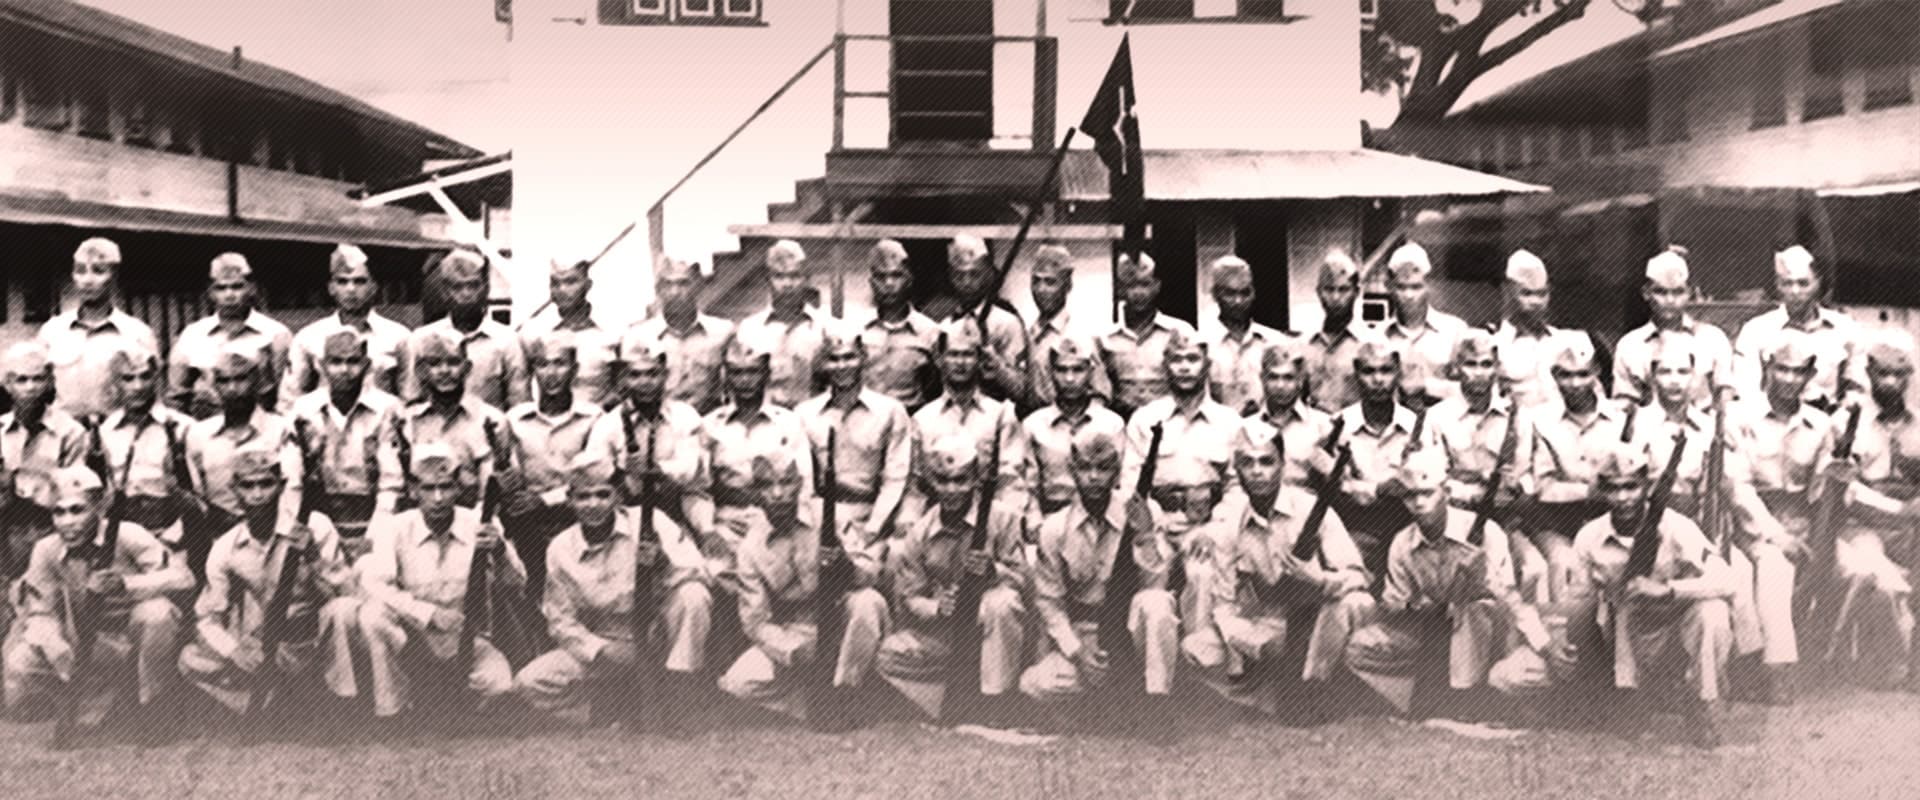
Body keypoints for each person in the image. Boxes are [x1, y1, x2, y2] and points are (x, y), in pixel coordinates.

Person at [1545, 440, 1735, 748]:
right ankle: (1626, 698)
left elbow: (1727, 580)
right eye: (1613, 489)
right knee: (1623, 604)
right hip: (1623, 640)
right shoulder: (1590, 536)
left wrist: (1669, 590)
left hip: (1677, 636)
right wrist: (1558, 635)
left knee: (1713, 611)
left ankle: (1705, 702)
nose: (1623, 498)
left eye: (1631, 487)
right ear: (1602, 492)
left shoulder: (1677, 526)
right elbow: (1577, 598)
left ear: (1646, 486)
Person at [1182, 421, 1375, 716]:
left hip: (1320, 621)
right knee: (1197, 650)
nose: (1258, 471)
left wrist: (1320, 580)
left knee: (1357, 602)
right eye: (1248, 463)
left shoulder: (1312, 509)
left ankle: (1315, 685)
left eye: (1267, 462)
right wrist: (1249, 640)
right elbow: (1224, 605)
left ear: (1282, 465)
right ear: (1237, 469)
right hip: (1268, 623)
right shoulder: (1230, 523)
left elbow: (1357, 576)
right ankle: (1275, 690)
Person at [1345, 448, 1552, 717]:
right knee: (1360, 647)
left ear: (1445, 491)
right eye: (1410, 495)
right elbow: (1393, 604)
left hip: (1488, 635)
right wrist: (1418, 608)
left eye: (1427, 492)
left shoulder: (1486, 532)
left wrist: (1480, 577)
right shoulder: (1402, 543)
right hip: (1429, 632)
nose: (1419, 503)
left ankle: (1467, 696)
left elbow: (1508, 599)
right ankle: (1409, 700)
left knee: (1472, 607)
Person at [514, 454, 715, 729]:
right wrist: (602, 650)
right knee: (530, 682)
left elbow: (698, 573)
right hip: (608, 640)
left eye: (602, 495)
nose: (593, 504)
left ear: (618, 497)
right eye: (583, 497)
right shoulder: (561, 547)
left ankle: (680, 691)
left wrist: (662, 563)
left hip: (659, 632)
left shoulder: (652, 521)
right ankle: (609, 706)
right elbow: (560, 620)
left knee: (693, 595)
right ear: (570, 501)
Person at [3, 466, 190, 727]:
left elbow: (183, 577)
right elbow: (40, 612)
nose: (67, 522)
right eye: (59, 512)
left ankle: (153, 704)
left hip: (137, 641)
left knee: (157, 612)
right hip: (89, 641)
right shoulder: (46, 549)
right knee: (20, 662)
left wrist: (126, 584)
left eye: (77, 510)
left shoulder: (129, 534)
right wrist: (57, 649)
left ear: (99, 509)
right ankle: (90, 699)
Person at [177, 448, 360, 713]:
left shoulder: (315, 526)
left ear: (282, 485)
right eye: (248, 486)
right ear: (234, 489)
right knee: (190, 660)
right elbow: (207, 619)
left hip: (317, 637)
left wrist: (314, 558)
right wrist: (235, 652)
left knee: (343, 612)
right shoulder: (226, 547)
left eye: (266, 484)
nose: (258, 494)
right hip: (268, 642)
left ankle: (341, 705)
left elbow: (346, 593)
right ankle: (274, 701)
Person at [717, 450, 889, 723]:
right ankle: (812, 699)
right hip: (797, 629)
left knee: (869, 602)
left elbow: (872, 573)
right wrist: (792, 651)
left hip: (843, 617)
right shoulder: (750, 548)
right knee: (739, 683)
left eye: (786, 483)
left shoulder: (830, 516)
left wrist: (845, 565)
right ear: (754, 493)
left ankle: (847, 693)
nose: (777, 493)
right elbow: (755, 622)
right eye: (766, 485)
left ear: (799, 484)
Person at [356, 442, 524, 719]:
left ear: (458, 488)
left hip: (467, 639)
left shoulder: (479, 524)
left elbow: (517, 586)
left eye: (445, 487)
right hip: (413, 639)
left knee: (499, 688)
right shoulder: (396, 527)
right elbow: (376, 585)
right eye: (428, 489)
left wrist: (500, 551)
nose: (437, 498)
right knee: (373, 615)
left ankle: (444, 702)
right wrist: (429, 614)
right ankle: (392, 711)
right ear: (413, 490)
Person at [1019, 426, 1178, 714]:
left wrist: (1143, 536)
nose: (1093, 477)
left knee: (1156, 603)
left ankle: (1156, 706)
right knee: (1034, 683)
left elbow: (1158, 585)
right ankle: (1108, 705)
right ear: (1071, 469)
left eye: (1103, 468)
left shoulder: (1144, 512)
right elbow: (1049, 603)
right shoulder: (1055, 528)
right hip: (1086, 632)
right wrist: (1078, 652)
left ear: (1117, 472)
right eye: (1085, 468)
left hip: (1132, 632)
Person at [877, 433, 1029, 725]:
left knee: (1003, 602)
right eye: (942, 481)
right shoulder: (920, 532)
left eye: (960, 480)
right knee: (888, 654)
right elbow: (910, 596)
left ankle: (996, 701)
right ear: (931, 483)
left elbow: (1022, 579)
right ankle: (943, 701)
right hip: (945, 634)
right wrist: (937, 607)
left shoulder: (1003, 519)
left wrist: (993, 571)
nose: (951, 489)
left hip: (991, 630)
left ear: (975, 480)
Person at [1723, 331, 1829, 704]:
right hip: (1748, 524)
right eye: (1781, 369)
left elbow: (1821, 495)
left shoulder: (1820, 426)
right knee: (1773, 564)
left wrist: (1814, 537)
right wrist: (1777, 536)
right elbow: (1738, 489)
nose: (1788, 379)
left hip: (1800, 523)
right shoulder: (1739, 417)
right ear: (1768, 368)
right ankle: (1775, 667)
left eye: (1799, 371)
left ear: (1810, 374)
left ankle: (1756, 663)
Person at [1819, 328, 1920, 691]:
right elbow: (1844, 491)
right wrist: (1899, 508)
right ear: (1869, 372)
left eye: (1899, 373)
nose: (1891, 382)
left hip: (1912, 530)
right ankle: (1896, 661)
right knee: (1882, 581)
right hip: (1861, 528)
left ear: (1909, 375)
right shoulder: (1847, 424)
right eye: (1882, 373)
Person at [1426, 331, 1541, 601]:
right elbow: (1435, 480)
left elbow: (1526, 476)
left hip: (1506, 520)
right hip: (1455, 525)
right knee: (1460, 586)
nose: (1478, 373)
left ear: (1497, 369)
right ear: (1456, 369)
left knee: (1533, 570)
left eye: (1486, 364)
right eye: (1470, 364)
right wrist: (1477, 487)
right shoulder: (1437, 417)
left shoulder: (1519, 418)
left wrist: (1516, 485)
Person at [693, 329, 815, 577]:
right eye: (737, 373)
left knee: (783, 580)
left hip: (778, 523)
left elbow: (804, 481)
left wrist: (795, 530)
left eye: (752, 372)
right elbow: (698, 488)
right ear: (727, 377)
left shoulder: (789, 422)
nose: (745, 380)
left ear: (766, 374)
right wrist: (707, 529)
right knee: (716, 577)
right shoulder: (710, 425)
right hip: (727, 522)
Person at [796, 320, 913, 569]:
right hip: (821, 516)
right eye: (834, 359)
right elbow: (804, 480)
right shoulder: (804, 414)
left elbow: (896, 477)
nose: (842, 366)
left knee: (867, 575)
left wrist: (873, 528)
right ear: (824, 364)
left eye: (849, 357)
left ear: (863, 358)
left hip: (870, 515)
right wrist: (816, 526)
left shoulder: (890, 411)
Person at [182, 344, 304, 578]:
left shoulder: (280, 428)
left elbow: (292, 490)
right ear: (214, 386)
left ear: (257, 382)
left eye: (241, 380)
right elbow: (196, 495)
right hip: (215, 539)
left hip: (269, 539)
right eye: (224, 381)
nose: (233, 389)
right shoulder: (198, 434)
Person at [500, 330, 605, 599]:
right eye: (543, 364)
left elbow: (594, 475)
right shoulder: (515, 420)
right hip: (529, 522)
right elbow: (512, 473)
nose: (551, 373)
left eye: (560, 363)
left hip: (577, 515)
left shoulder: (593, 418)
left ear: (575, 369)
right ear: (533, 370)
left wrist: (546, 500)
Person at [1526, 339, 1632, 602]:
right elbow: (1545, 487)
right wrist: (1592, 490)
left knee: (1619, 567)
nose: (1575, 384)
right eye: (1566, 375)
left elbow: (1630, 474)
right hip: (1558, 523)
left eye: (1583, 374)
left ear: (1596, 372)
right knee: (1564, 564)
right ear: (1554, 375)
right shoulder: (1540, 420)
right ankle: (1564, 639)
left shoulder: (1622, 418)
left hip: (1609, 521)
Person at [904, 318, 1029, 532]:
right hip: (937, 524)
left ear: (980, 360)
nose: (960, 363)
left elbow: (1010, 482)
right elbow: (916, 488)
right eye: (953, 354)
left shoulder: (1001, 415)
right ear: (939, 359)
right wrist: (909, 523)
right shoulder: (922, 420)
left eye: (968, 355)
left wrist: (1004, 525)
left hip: (986, 523)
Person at [1330, 339, 1438, 578]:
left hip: (1409, 524)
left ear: (1398, 372)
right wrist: (1379, 489)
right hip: (1358, 527)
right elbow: (1336, 488)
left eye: (1386, 370)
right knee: (1349, 577)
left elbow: (1429, 481)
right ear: (1357, 373)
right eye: (1369, 371)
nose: (1378, 380)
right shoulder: (1339, 425)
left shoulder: (1418, 426)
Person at [287, 330, 404, 547]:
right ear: (321, 365)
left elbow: (392, 480)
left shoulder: (387, 408)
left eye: (353, 362)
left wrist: (375, 536)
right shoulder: (304, 409)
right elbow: (293, 478)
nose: (344, 370)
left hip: (373, 515)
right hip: (319, 517)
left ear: (367, 365)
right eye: (335, 362)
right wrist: (299, 526)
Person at [585, 337, 709, 527]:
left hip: (678, 512)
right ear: (624, 380)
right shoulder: (608, 424)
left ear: (665, 376)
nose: (644, 382)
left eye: (652, 374)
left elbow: (690, 470)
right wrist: (620, 471)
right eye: (635, 375)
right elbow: (594, 478)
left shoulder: (685, 416)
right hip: (625, 517)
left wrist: (656, 469)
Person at [38, 238, 162, 422]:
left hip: (117, 434)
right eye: (80, 271)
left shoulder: (137, 333)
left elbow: (153, 397)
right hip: (64, 435)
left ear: (114, 276)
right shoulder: (52, 331)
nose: (87, 280)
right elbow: (37, 388)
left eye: (98, 271)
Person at [1732, 245, 1864, 412]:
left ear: (1818, 282)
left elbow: (1856, 387)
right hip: (1772, 426)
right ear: (1777, 285)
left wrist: (1842, 417)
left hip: (1828, 425)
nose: (1795, 291)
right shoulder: (1756, 331)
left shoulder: (1845, 329)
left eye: (1803, 283)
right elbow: (1746, 389)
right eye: (1787, 283)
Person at [390, 328, 508, 511]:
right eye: (434, 363)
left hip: (475, 519)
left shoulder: (490, 421)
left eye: (453, 362)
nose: (444, 371)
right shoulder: (405, 421)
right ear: (421, 371)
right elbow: (397, 487)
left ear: (467, 368)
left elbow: (493, 491)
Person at [282, 244, 411, 410]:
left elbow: (410, 399)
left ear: (374, 287)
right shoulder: (309, 337)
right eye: (342, 281)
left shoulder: (398, 337)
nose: (351, 289)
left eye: (360, 281)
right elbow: (291, 399)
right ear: (331, 288)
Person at [0, 342, 89, 581]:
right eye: (21, 380)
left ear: (49, 382)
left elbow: (73, 492)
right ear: (7, 385)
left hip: (50, 529)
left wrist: (23, 485)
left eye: (38, 379)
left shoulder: (70, 431)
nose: (30, 388)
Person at [403, 247, 529, 411]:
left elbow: (519, 406)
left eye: (473, 285)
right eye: (457, 287)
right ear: (445, 292)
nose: (466, 294)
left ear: (486, 289)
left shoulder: (506, 341)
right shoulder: (421, 340)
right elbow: (411, 401)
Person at [168, 252, 293, 417]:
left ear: (251, 288)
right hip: (207, 428)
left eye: (237, 286)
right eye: (221, 288)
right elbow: (176, 397)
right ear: (210, 292)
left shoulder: (275, 334)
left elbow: (286, 396)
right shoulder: (193, 335)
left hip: (260, 428)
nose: (229, 295)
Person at [1022, 333, 1126, 530]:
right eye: (1061, 370)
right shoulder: (1034, 425)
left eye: (1078, 370)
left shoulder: (1111, 424)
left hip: (1100, 522)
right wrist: (1035, 522)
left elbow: (1119, 483)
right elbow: (1029, 487)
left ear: (1090, 371)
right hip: (1050, 522)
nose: (1069, 379)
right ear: (1051, 372)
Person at [98, 346, 200, 544]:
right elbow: (100, 498)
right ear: (115, 383)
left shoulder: (183, 427)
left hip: (175, 534)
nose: (138, 386)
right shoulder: (105, 432)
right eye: (128, 378)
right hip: (121, 538)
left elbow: (197, 495)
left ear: (157, 379)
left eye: (145, 377)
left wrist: (173, 537)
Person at [1612, 250, 1733, 408]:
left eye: (1678, 292)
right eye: (1660, 292)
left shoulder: (1712, 339)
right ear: (1646, 293)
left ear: (1689, 293)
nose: (1670, 300)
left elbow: (1726, 396)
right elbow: (1624, 405)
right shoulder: (1630, 345)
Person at [622, 255, 734, 415]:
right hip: (659, 425)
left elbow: (735, 385)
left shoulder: (722, 332)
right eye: (667, 285)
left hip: (708, 424)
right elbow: (629, 391)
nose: (675, 292)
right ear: (658, 290)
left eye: (683, 283)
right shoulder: (638, 336)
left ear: (698, 286)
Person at [927, 235, 1030, 406]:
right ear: (950, 277)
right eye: (959, 276)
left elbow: (1021, 391)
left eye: (974, 274)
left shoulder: (1007, 323)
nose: (967, 282)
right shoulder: (943, 325)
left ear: (988, 273)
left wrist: (996, 364)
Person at [1492, 250, 1596, 412]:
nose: (1536, 302)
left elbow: (1597, 397)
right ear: (1508, 293)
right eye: (1526, 293)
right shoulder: (1495, 345)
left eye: (1542, 294)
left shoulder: (1573, 341)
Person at [736, 239, 833, 409]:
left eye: (795, 276)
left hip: (811, 422)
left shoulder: (825, 327)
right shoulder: (749, 330)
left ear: (806, 279)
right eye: (779, 276)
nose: (787, 284)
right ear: (768, 280)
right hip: (766, 424)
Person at [1098, 252, 1194, 417]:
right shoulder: (1104, 338)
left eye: (1145, 284)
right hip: (1122, 422)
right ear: (1120, 290)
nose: (1138, 293)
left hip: (1170, 422)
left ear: (1157, 286)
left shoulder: (1179, 332)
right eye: (1131, 285)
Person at [518, 259, 620, 409]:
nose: (562, 290)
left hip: (598, 425)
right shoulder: (533, 334)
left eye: (571, 282)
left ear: (587, 285)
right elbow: (519, 388)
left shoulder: (612, 334)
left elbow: (623, 388)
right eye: (555, 283)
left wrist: (598, 415)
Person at [1200, 255, 1293, 416]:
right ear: (1215, 294)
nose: (1238, 301)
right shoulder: (1201, 346)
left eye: (1245, 293)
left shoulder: (1276, 343)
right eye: (1230, 293)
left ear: (1254, 293)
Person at [858, 240, 942, 412]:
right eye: (881, 276)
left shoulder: (930, 332)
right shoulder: (855, 330)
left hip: (910, 419)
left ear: (909, 279)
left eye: (897, 275)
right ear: (871, 282)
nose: (888, 284)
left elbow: (937, 388)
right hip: (865, 420)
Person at [1380, 243, 1467, 409]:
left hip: (1442, 427)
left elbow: (1472, 389)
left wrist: (1427, 386)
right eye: (1401, 287)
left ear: (1429, 286)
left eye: (1416, 287)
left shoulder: (1454, 331)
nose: (1409, 295)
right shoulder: (1379, 336)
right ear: (1390, 288)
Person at [1245, 341, 1337, 492]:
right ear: (1262, 379)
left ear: (1300, 381)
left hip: (1309, 511)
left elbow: (1343, 486)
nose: (1280, 386)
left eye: (1288, 378)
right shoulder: (1247, 428)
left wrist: (1331, 471)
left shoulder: (1323, 426)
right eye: (1273, 377)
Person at [1025, 245, 1107, 410]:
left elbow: (1101, 395)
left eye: (1050, 282)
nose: (1041, 290)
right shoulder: (1029, 334)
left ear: (1068, 285)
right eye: (1036, 281)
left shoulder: (1082, 335)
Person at [1299, 250, 1365, 414]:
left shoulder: (1372, 344)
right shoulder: (1304, 346)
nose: (1335, 297)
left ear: (1356, 292)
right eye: (1329, 289)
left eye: (1343, 290)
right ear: (1318, 292)